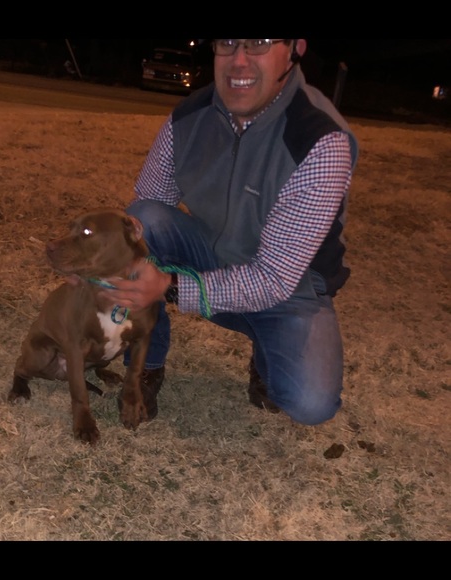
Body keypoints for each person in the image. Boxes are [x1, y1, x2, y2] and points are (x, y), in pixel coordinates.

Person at [102, 39, 359, 426]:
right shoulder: (189, 116)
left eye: (259, 42)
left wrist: (168, 285)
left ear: (295, 49)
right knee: (144, 221)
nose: (239, 60)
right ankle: (144, 365)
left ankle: (267, 348)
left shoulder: (320, 141)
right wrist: (102, 264)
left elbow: (274, 279)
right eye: (228, 42)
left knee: (310, 402)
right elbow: (146, 210)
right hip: (211, 253)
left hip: (292, 289)